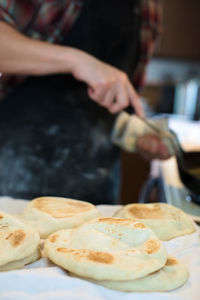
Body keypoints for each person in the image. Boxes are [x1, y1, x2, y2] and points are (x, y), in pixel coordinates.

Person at [0, 0, 170, 204]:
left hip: (99, 183)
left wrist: (137, 135)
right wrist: (75, 60)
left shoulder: (149, 8)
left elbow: (120, 99)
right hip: (14, 172)